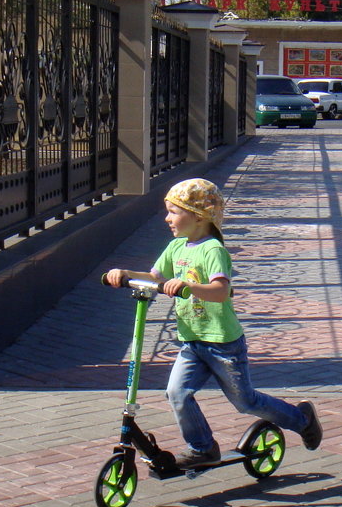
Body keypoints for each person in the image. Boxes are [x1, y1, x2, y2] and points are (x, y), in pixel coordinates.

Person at [104, 178, 323, 468]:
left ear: (198, 215)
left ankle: (302, 419)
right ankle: (203, 447)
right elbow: (155, 278)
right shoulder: (176, 247)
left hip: (223, 344)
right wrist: (123, 272)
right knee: (177, 393)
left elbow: (221, 291)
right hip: (192, 342)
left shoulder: (212, 251)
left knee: (246, 402)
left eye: (174, 211)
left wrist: (187, 287)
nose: (168, 218)